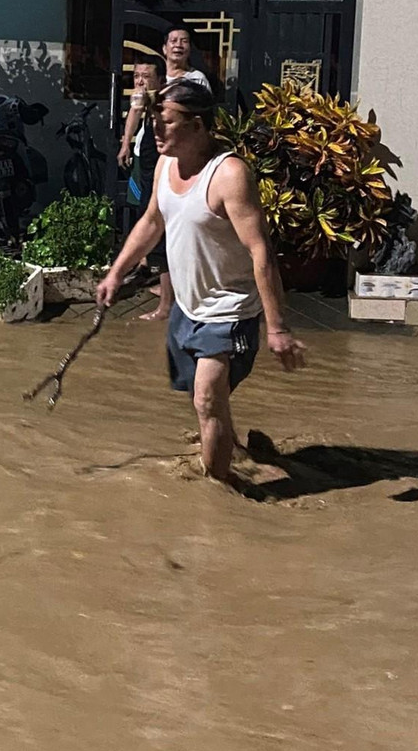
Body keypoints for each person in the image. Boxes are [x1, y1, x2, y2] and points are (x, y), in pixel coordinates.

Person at [96, 78, 307, 486]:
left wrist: (277, 328)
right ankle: (236, 447)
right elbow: (151, 223)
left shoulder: (229, 175)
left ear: (198, 125)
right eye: (154, 120)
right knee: (207, 403)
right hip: (187, 309)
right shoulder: (164, 163)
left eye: (167, 122)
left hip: (229, 311)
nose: (155, 131)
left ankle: (217, 492)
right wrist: (116, 272)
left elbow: (261, 252)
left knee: (207, 397)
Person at [116, 26, 211, 321]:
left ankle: (172, 297)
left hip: (178, 156)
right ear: (165, 48)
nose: (178, 46)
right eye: (173, 41)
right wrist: (126, 143)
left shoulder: (194, 82)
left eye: (184, 41)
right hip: (150, 157)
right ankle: (163, 285)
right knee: (152, 216)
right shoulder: (154, 81)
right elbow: (135, 109)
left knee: (172, 223)